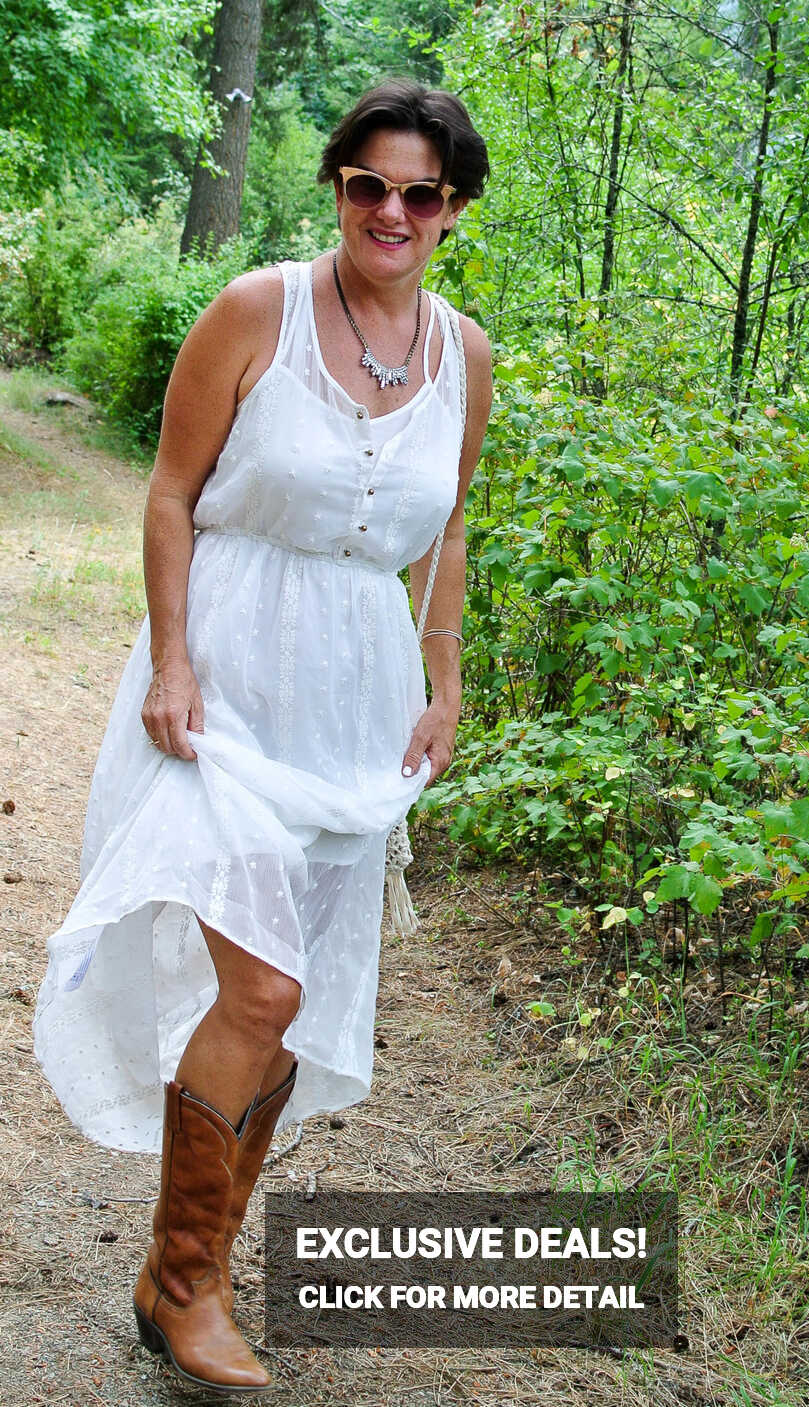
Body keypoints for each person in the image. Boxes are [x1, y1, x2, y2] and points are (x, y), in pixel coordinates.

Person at [32, 79, 491, 1393]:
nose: (389, 211)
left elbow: (447, 528)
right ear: (336, 187)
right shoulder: (257, 312)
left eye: (418, 193)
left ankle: (183, 1270)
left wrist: (443, 684)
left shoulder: (465, 354)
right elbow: (172, 494)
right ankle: (189, 1285)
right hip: (227, 680)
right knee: (265, 987)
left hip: (358, 696)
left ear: (449, 209)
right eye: (367, 185)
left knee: (297, 1003)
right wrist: (170, 658)